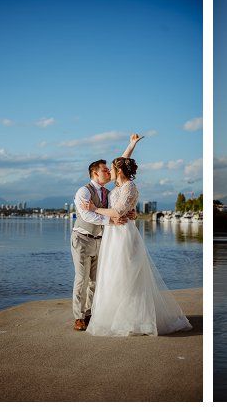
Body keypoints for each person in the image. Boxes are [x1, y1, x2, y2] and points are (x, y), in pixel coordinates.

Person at [85, 134, 192, 336]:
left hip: (123, 234)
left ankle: (134, 319)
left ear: (119, 171)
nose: (110, 172)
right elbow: (122, 159)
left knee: (126, 273)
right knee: (113, 274)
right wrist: (131, 145)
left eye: (112, 169)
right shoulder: (119, 185)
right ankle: (115, 314)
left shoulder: (129, 187)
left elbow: (117, 212)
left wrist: (94, 209)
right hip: (113, 234)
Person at [69, 138, 136, 331]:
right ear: (95, 173)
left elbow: (122, 165)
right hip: (82, 238)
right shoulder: (83, 191)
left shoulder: (110, 192)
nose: (109, 172)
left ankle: (90, 313)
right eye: (105, 170)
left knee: (95, 281)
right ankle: (78, 316)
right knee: (81, 279)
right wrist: (111, 220)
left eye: (110, 170)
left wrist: (129, 212)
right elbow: (86, 214)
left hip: (103, 240)